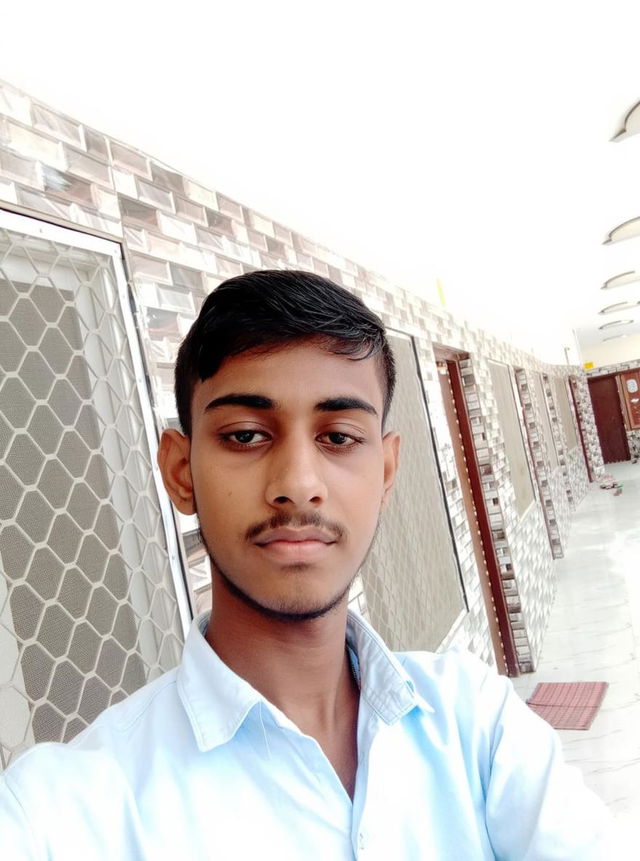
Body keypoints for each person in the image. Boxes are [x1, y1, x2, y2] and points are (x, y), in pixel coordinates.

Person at [0, 270, 620, 859]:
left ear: (384, 470)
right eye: (245, 435)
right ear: (182, 472)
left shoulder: (476, 721)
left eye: (339, 437)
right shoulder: (67, 808)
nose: (298, 485)